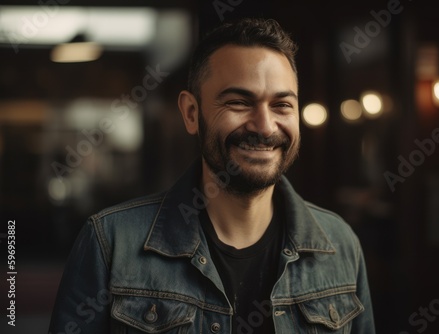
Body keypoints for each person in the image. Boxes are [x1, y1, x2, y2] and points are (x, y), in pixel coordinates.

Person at [48, 17, 375, 334]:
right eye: (238, 102)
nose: (264, 126)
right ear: (192, 113)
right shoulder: (110, 243)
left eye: (282, 105)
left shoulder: (340, 243)